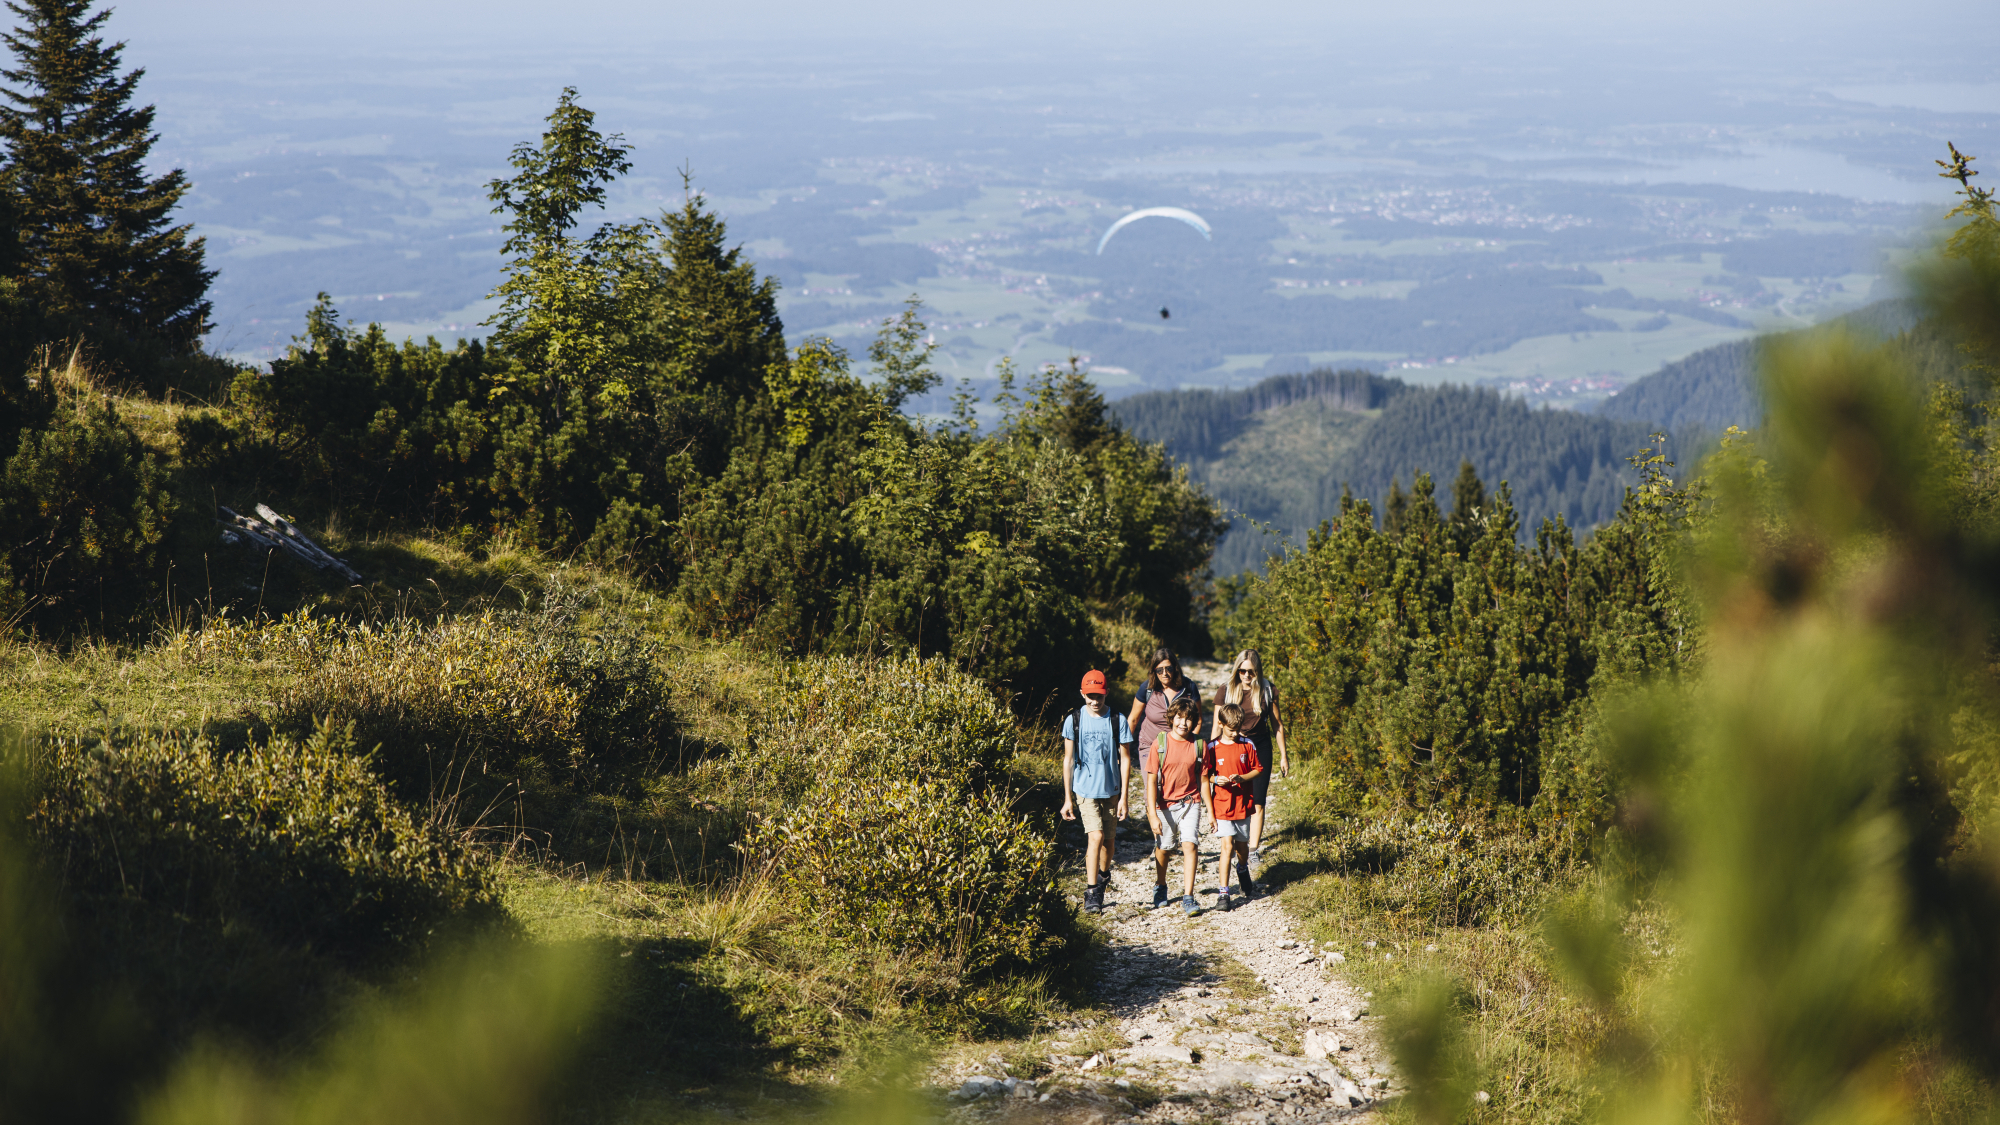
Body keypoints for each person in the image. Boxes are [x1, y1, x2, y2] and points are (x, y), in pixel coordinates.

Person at [1061, 669, 1134, 915]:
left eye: (1099, 696)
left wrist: (1124, 797)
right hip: (1085, 790)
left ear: (1107, 694)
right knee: (1096, 836)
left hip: (1111, 790)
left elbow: (1125, 759)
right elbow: (1068, 760)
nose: (1094, 701)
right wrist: (1067, 798)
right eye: (1090, 696)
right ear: (1082, 694)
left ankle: (1103, 875)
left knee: (1108, 841)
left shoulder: (1117, 720)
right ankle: (1092, 892)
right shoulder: (1074, 720)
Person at [1212, 647, 1289, 871]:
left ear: (1258, 671)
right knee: (1231, 794)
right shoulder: (1225, 690)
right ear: (1237, 670)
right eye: (1242, 671)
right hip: (1231, 747)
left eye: (1251, 671)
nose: (1246, 675)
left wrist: (1284, 755)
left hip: (1259, 746)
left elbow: (1277, 724)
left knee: (1258, 800)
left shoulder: (1268, 690)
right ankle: (1230, 841)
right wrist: (1211, 755)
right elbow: (1217, 726)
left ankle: (1252, 849)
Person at [1143, 694, 1209, 915]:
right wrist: (1152, 814)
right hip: (1165, 804)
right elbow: (1151, 781)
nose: (1183, 723)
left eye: (1188, 719)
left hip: (1190, 802)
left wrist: (1210, 811)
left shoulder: (1199, 745)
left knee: (1190, 844)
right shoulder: (1160, 744)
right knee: (1164, 848)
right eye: (1179, 717)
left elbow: (1204, 780)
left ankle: (1188, 897)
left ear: (1194, 721)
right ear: (1171, 718)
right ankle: (1161, 884)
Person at [1205, 703, 1262, 912]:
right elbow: (1205, 775)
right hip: (1222, 804)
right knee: (1226, 846)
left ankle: (1242, 868)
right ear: (1220, 724)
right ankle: (1224, 893)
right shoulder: (1212, 747)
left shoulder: (1247, 744)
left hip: (1242, 804)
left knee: (1241, 846)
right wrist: (1215, 779)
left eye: (1238, 729)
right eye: (1231, 730)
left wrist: (1242, 778)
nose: (1235, 733)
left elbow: (1258, 769)